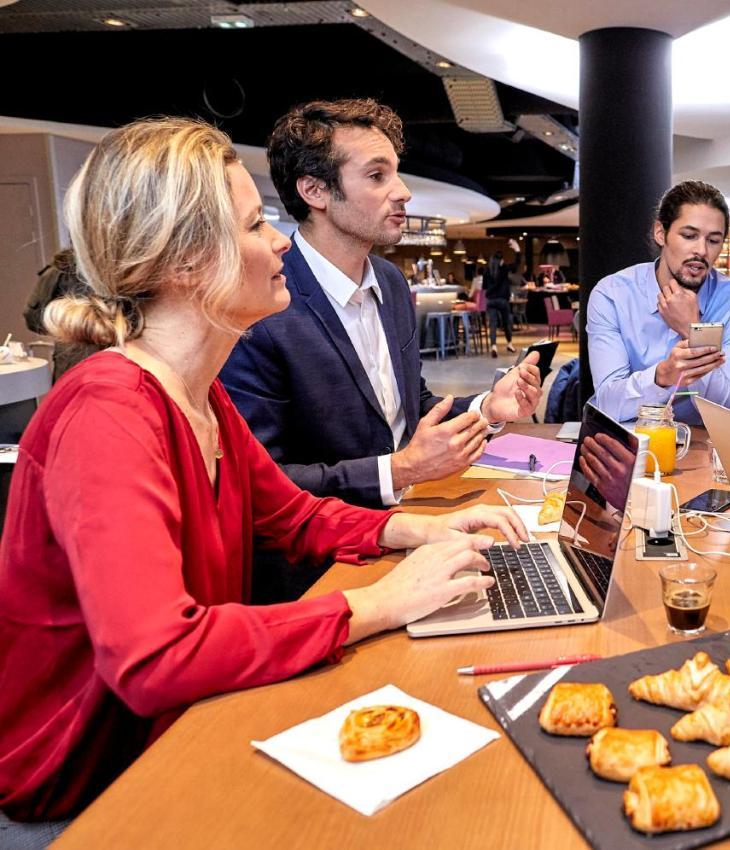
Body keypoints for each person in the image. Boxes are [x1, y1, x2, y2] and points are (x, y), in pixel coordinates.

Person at [0, 118, 528, 832]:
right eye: (255, 225)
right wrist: (379, 604)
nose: (280, 240)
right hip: (87, 784)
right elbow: (156, 656)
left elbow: (295, 516)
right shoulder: (108, 413)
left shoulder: (200, 393)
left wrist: (422, 526)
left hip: (176, 730)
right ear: (186, 261)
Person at [221, 99, 543, 512]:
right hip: (328, 553)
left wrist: (487, 407)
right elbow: (262, 481)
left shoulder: (390, 283)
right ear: (314, 190)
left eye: (395, 173)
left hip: (412, 516)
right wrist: (399, 471)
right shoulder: (264, 302)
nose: (404, 192)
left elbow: (411, 409)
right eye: (377, 176)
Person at [586, 181, 730, 424]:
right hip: (628, 441)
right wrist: (662, 376)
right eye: (689, 236)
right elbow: (609, 404)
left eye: (713, 240)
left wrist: (693, 330)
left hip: (702, 443)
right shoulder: (612, 295)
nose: (701, 251)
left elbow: (728, 408)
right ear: (660, 233)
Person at [22, 249, 101, 381]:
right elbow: (33, 317)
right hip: (85, 358)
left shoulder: (64, 265)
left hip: (75, 359)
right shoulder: (130, 261)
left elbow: (33, 318)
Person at [483, 239, 521, 356]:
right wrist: (517, 249)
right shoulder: (503, 269)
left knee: (493, 324)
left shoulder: (487, 271)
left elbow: (484, 286)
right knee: (506, 323)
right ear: (500, 260)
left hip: (490, 300)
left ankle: (494, 347)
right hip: (502, 300)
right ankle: (509, 344)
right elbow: (516, 266)